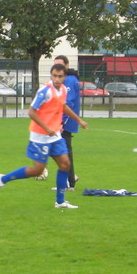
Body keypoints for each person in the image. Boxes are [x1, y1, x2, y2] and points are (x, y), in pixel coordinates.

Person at [0, 62, 88, 209]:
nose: (57, 79)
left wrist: (78, 119)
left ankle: (60, 201)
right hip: (40, 136)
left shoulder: (63, 90)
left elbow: (63, 106)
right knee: (38, 170)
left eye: (60, 76)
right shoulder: (45, 91)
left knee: (65, 164)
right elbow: (31, 112)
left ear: (64, 77)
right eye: (54, 76)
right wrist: (46, 128)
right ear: (51, 75)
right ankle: (2, 179)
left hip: (54, 135)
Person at [54, 55, 81, 189]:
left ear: (67, 65)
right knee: (62, 151)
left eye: (60, 65)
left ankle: (69, 182)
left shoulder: (69, 80)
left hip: (65, 123)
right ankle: (69, 179)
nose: (58, 68)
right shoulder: (66, 79)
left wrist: (61, 122)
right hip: (61, 121)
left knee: (63, 152)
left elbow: (67, 102)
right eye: (55, 65)